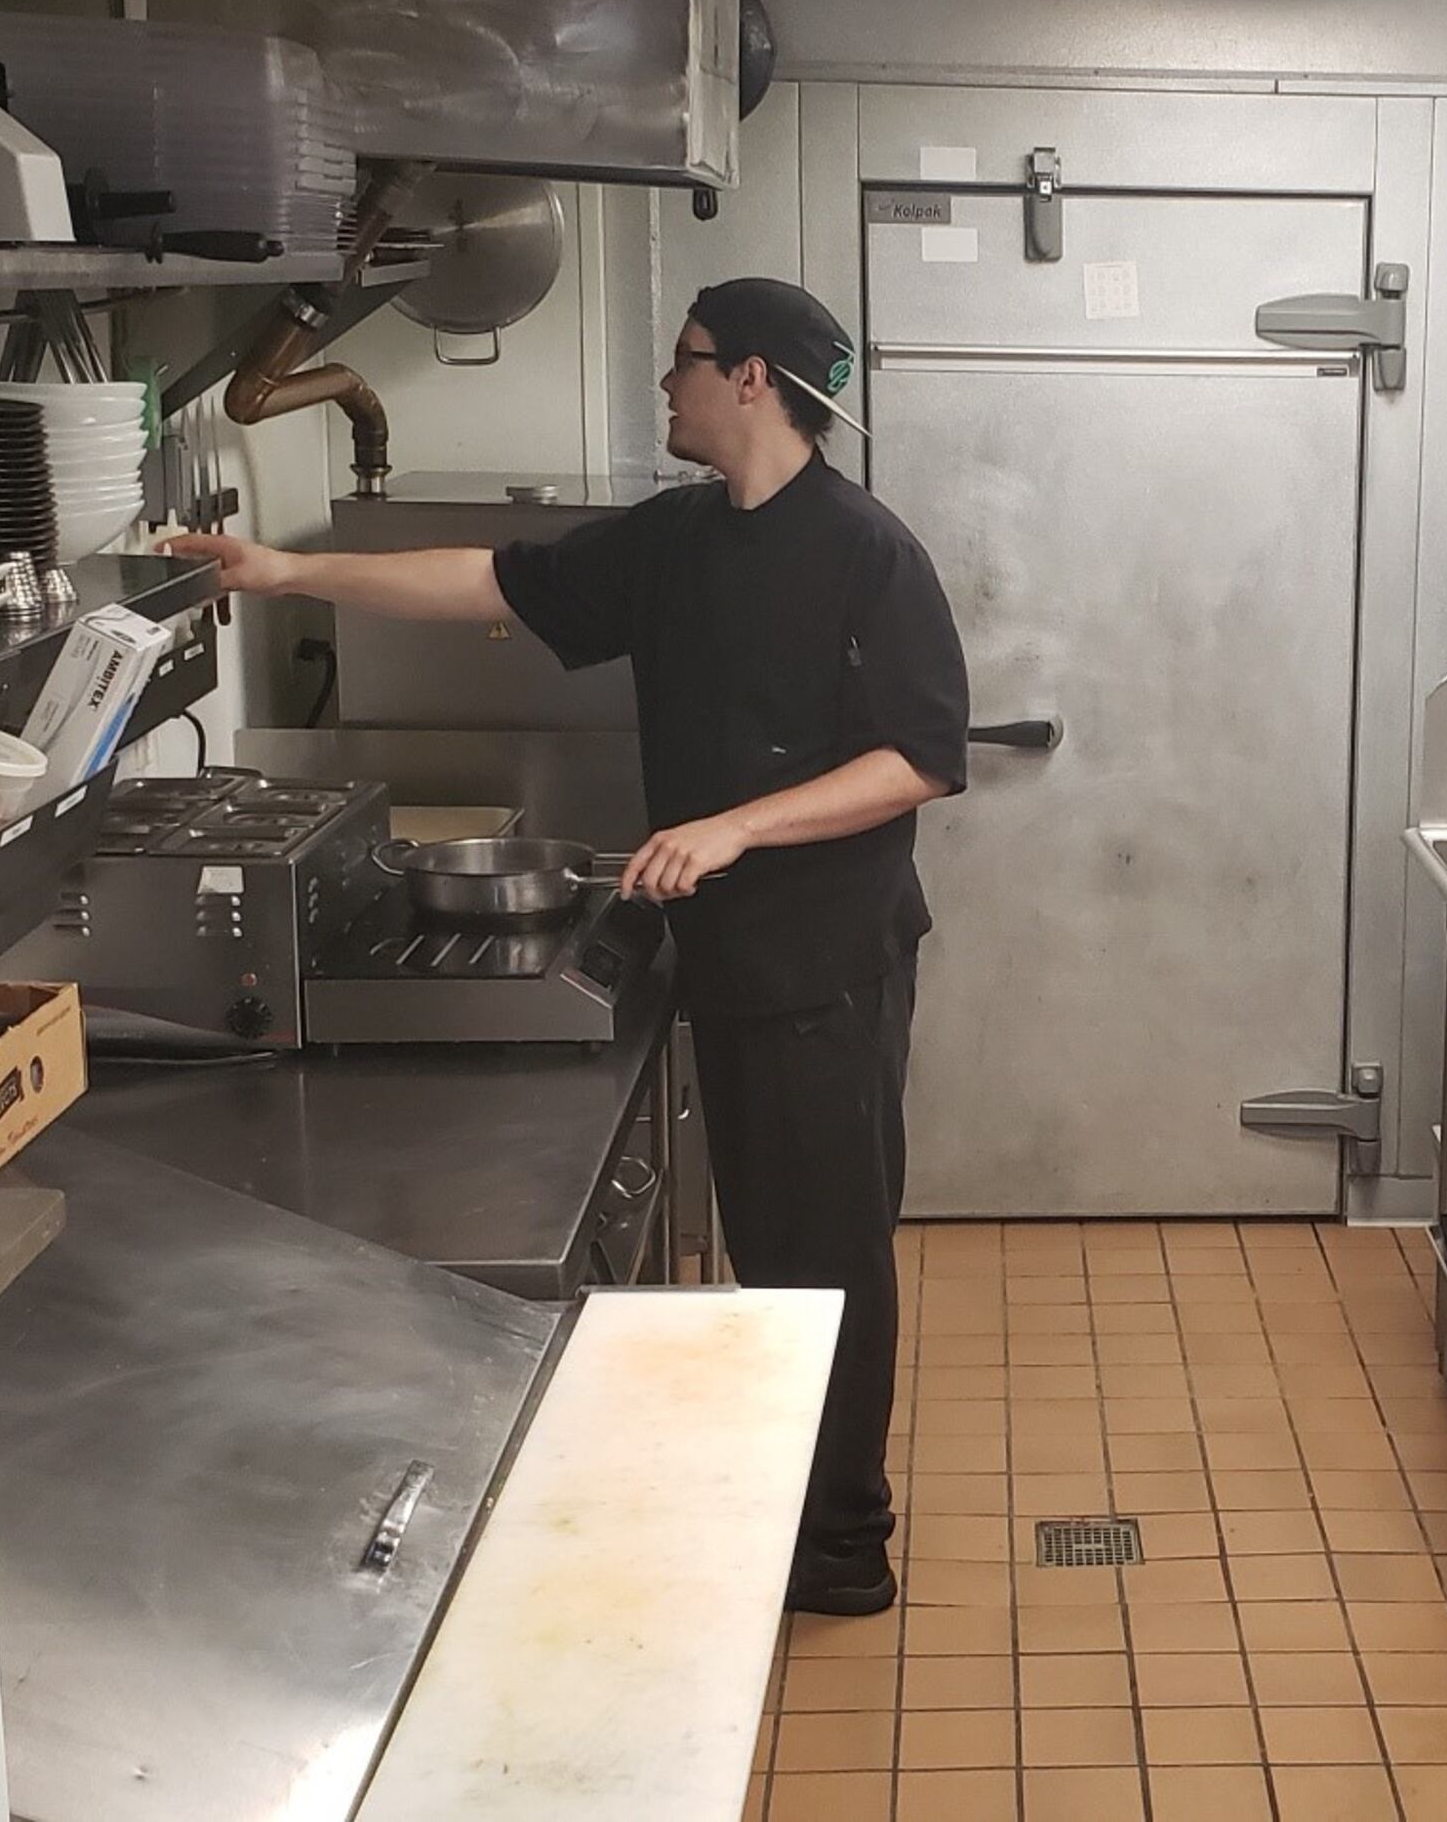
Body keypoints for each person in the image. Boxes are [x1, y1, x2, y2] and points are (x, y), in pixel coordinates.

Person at [165, 278, 970, 1617]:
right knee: (777, 1246)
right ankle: (787, 1500)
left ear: (755, 380)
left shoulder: (865, 551)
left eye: (687, 364)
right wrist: (284, 571)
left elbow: (920, 761)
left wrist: (737, 829)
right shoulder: (677, 540)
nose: (669, 386)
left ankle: (841, 1546)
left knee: (828, 1251)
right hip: (732, 964)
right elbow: (482, 578)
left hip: (827, 967)